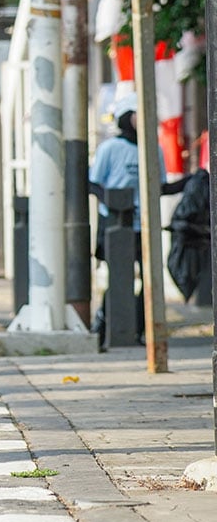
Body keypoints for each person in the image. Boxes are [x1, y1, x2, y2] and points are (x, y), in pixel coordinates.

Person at [88, 93, 185, 343]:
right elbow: (94, 183)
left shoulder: (153, 148)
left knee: (150, 277)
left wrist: (190, 182)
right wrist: (112, 201)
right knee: (119, 277)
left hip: (144, 223)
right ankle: (105, 326)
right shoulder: (110, 148)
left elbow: (159, 186)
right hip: (115, 224)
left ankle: (142, 329)